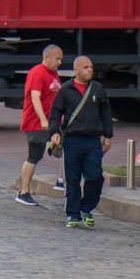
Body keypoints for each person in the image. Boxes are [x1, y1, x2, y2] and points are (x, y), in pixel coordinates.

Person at [48, 56, 113, 228]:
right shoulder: (66, 89)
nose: (90, 70)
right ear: (76, 70)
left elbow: (106, 114)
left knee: (95, 176)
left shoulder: (98, 89)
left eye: (91, 67)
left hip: (93, 141)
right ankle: (73, 214)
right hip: (72, 140)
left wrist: (108, 136)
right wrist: (54, 132)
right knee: (73, 178)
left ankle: (87, 207)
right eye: (85, 67)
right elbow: (55, 113)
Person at [17, 44, 64, 206]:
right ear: (47, 57)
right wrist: (43, 120)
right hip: (36, 123)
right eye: (57, 59)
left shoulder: (54, 74)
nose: (59, 62)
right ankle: (23, 192)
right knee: (34, 156)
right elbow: (35, 97)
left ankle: (61, 181)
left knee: (65, 147)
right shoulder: (37, 72)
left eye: (61, 59)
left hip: (51, 123)